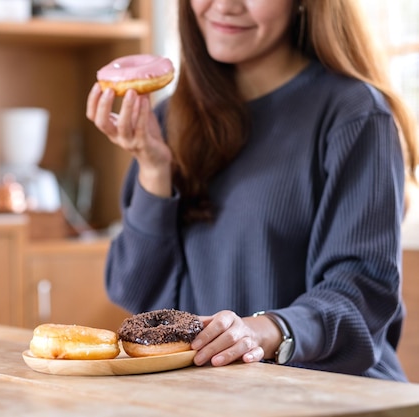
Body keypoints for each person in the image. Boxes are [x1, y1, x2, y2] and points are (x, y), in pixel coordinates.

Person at [86, 0, 419, 381]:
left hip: (333, 397)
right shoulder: (167, 120)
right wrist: (153, 168)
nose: (225, 6)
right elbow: (136, 295)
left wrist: (259, 332)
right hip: (214, 396)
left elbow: (361, 296)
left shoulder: (355, 114)